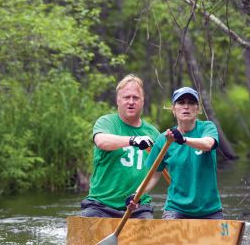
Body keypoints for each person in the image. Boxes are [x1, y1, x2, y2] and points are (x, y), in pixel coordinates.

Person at [128, 86, 223, 219]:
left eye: (191, 103)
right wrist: (136, 195)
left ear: (197, 109)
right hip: (176, 210)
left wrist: (183, 139)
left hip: (210, 210)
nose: (186, 107)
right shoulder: (163, 139)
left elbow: (208, 144)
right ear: (173, 109)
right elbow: (154, 175)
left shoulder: (207, 127)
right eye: (181, 103)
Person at [81, 74, 160, 219]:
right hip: (100, 205)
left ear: (142, 102)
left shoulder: (153, 133)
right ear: (118, 100)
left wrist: (138, 195)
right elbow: (101, 141)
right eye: (126, 97)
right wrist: (133, 140)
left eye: (135, 98)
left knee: (149, 232)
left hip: (137, 206)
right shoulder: (106, 123)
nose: (131, 102)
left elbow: (156, 173)